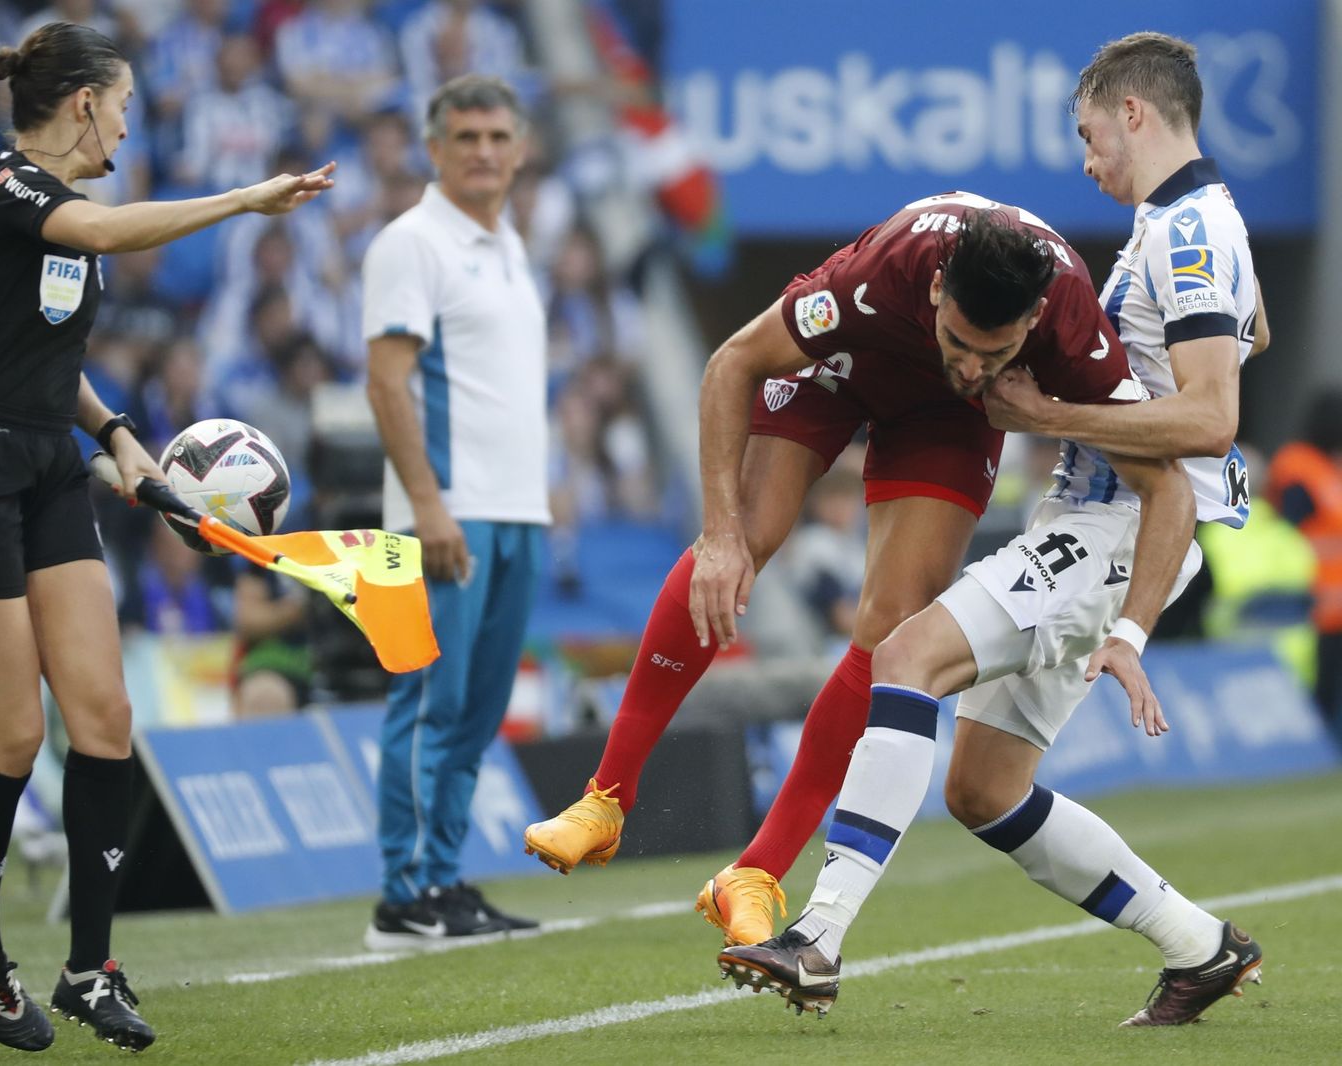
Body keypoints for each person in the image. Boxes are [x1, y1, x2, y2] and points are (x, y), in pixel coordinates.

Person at [720, 32, 1266, 1029]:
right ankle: (1202, 945)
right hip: (1103, 514)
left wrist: (1047, 419)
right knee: (982, 787)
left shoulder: (1188, 233)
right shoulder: (1187, 226)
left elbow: (1209, 421)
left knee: (906, 652)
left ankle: (816, 938)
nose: (1085, 157)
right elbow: (1244, 337)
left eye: (1087, 132)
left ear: (1132, 113)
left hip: (1124, 521)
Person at [0, 21, 332, 1052]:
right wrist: (245, 198)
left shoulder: (54, 217)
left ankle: (90, 965)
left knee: (106, 718)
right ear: (83, 104)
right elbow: (111, 235)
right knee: (13, 734)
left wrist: (123, 439)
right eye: (122, 102)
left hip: (43, 466)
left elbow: (51, 352)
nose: (130, 119)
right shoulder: (7, 193)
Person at [523, 192, 1138, 946]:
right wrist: (718, 536)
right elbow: (732, 364)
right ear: (939, 289)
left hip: (947, 422)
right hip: (842, 367)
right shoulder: (881, 277)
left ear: (1035, 321)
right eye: (960, 340)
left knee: (894, 633)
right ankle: (606, 799)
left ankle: (753, 875)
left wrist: (1045, 416)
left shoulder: (1072, 320)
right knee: (745, 539)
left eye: (996, 351)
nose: (973, 364)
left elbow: (1160, 457)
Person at [361, 74, 546, 948]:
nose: (482, 151)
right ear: (434, 149)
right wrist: (428, 504)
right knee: (428, 703)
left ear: (520, 147)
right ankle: (400, 895)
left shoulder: (507, 241)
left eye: (497, 136)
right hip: (443, 515)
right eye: (465, 136)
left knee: (475, 711)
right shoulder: (413, 243)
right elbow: (387, 380)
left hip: (517, 512)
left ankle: (443, 876)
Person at [1266, 390, 1342, 729]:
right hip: (1313, 602)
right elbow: (1288, 532)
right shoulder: (1298, 465)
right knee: (1319, 689)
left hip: (1333, 605)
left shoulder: (1331, 468)